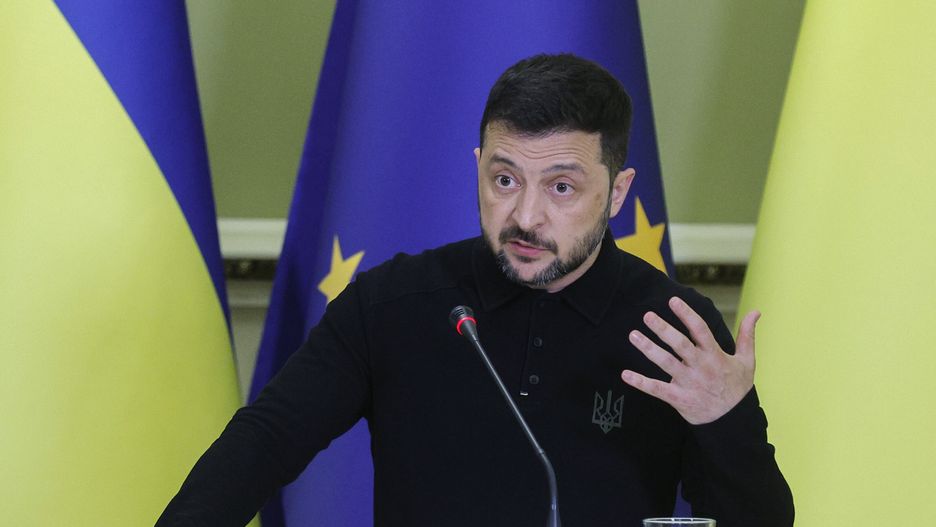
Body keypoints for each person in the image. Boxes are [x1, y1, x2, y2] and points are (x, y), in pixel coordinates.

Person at [158, 54, 793, 526]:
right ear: (478, 168)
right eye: (505, 179)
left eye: (562, 187)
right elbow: (262, 446)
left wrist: (724, 421)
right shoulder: (393, 303)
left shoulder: (674, 329)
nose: (525, 216)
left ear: (617, 193)